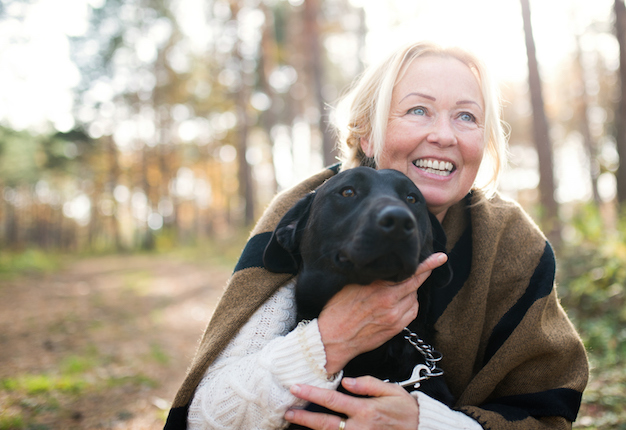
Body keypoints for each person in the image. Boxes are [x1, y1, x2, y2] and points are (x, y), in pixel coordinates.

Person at [164, 40, 588, 430]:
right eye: (418, 110)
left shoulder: (512, 244)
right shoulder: (313, 210)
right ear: (367, 132)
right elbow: (205, 417)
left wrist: (426, 423)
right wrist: (327, 340)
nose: (443, 135)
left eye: (466, 116)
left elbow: (547, 417)